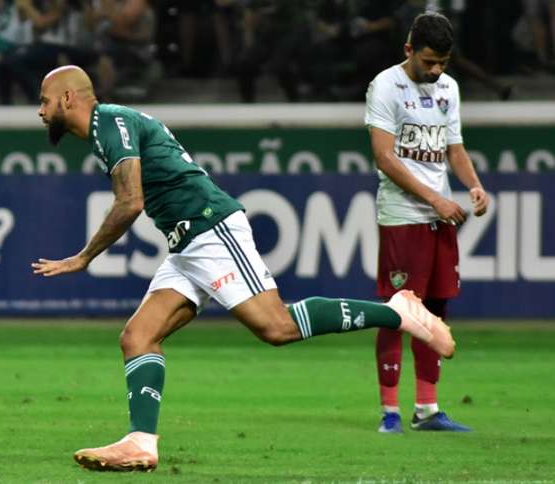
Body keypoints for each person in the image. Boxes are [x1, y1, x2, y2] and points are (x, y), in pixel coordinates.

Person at [31, 64, 456, 472]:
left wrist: (84, 257)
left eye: (45, 100)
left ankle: (397, 311)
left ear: (69, 98)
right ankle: (141, 443)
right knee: (138, 337)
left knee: (276, 327)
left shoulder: (110, 123)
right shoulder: (109, 129)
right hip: (186, 243)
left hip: (209, 227)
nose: (41, 110)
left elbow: (130, 201)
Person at [364, 11, 489, 434]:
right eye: (429, 62)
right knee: (399, 311)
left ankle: (427, 410)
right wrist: (436, 199)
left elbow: (453, 147)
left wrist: (473, 185)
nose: (436, 71)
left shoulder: (449, 89)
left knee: (435, 311)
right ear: (408, 51)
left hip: (439, 217)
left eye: (443, 63)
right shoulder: (385, 85)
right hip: (403, 215)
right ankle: (389, 412)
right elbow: (384, 155)